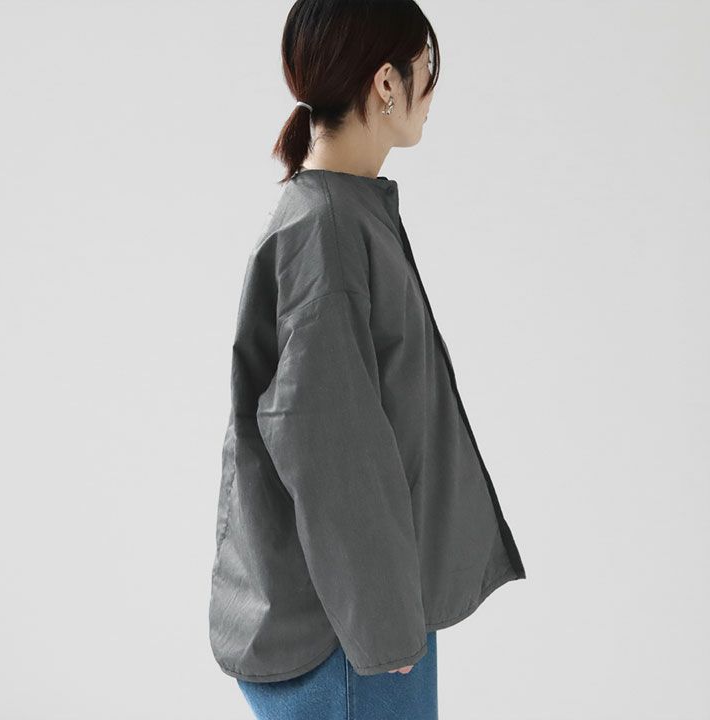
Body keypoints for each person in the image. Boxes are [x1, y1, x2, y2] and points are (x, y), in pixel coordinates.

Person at [208, 1, 527, 718]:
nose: (431, 90)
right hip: (349, 636)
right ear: (386, 82)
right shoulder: (325, 227)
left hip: (361, 612)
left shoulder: (342, 211)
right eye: (426, 69)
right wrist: (384, 631)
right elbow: (329, 445)